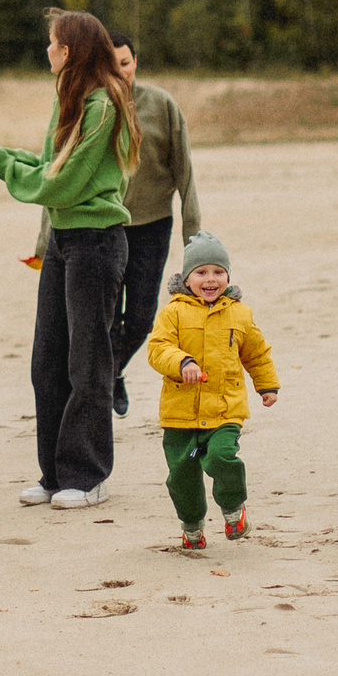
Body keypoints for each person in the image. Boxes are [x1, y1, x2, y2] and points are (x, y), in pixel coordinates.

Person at [0, 10, 139, 510]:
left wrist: (10, 173)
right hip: (63, 241)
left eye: (51, 43)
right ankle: (54, 474)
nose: (46, 50)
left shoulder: (105, 104)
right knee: (46, 362)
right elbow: (53, 164)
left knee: (87, 363)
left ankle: (87, 477)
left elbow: (65, 183)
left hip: (96, 241)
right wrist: (8, 159)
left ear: (67, 51)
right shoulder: (69, 97)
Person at [27, 29, 200, 417]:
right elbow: (58, 176)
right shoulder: (91, 107)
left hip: (152, 226)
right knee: (100, 321)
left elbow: (185, 171)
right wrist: (44, 240)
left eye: (126, 63)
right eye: (112, 64)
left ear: (136, 62)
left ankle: (111, 371)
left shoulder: (161, 105)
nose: (120, 72)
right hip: (103, 228)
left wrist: (193, 233)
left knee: (139, 320)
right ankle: (101, 385)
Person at [143, 232, 279, 552]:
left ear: (228, 276)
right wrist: (182, 362)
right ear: (186, 278)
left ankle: (233, 508)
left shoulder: (239, 313)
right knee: (182, 475)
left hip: (223, 409)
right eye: (201, 272)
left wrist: (267, 385)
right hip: (181, 414)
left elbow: (256, 353)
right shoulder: (173, 312)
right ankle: (191, 525)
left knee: (221, 457)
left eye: (218, 271)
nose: (210, 279)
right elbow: (158, 348)